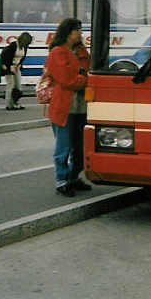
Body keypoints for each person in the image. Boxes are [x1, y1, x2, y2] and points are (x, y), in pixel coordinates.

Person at [44, 18, 91, 197]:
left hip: (81, 107)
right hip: (65, 107)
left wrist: (81, 77)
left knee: (80, 147)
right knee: (63, 147)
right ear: (68, 32)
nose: (81, 33)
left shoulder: (81, 50)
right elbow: (67, 80)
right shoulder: (57, 52)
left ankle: (73, 177)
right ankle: (61, 181)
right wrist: (83, 79)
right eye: (77, 30)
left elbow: (89, 70)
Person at [1, 32, 32, 110]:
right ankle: (9, 104)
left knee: (18, 85)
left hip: (17, 67)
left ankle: (16, 102)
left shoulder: (24, 47)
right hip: (9, 67)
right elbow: (5, 56)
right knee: (10, 84)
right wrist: (10, 66)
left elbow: (23, 57)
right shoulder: (13, 45)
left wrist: (19, 64)